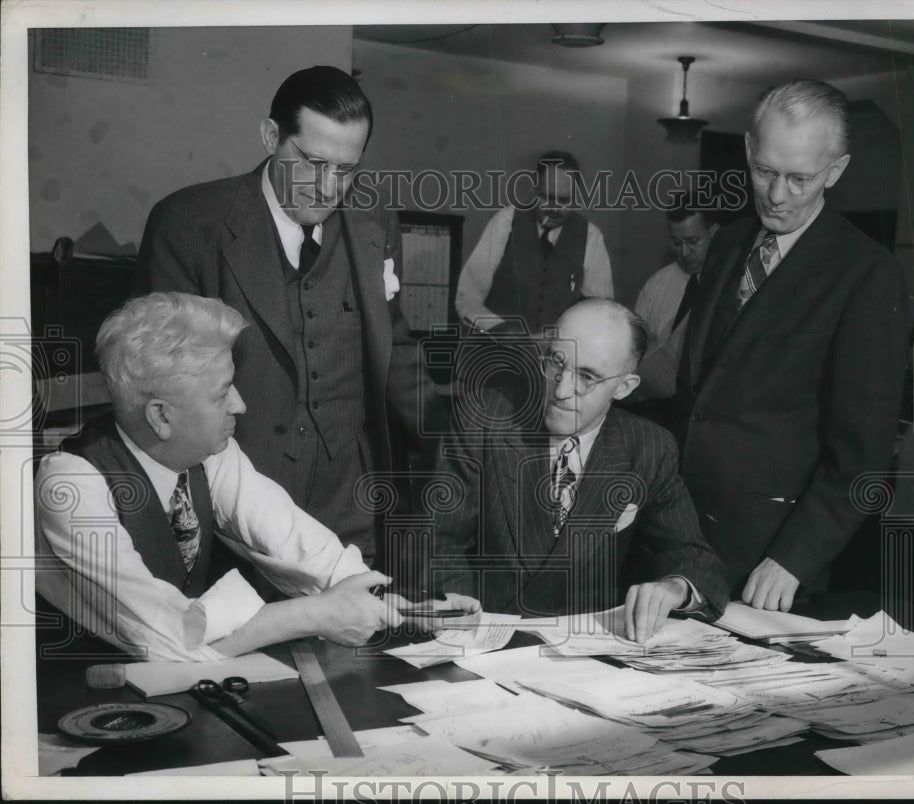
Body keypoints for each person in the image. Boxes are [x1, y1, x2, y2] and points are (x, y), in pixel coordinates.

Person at [34, 293, 478, 662]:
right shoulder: (71, 488)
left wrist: (395, 604)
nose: (240, 405)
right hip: (81, 693)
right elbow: (166, 640)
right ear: (161, 416)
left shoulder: (213, 454)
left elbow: (293, 539)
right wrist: (315, 616)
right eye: (222, 392)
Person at [134, 66, 442, 567]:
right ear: (271, 135)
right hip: (238, 516)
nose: (328, 188)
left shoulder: (374, 222)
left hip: (353, 504)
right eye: (314, 163)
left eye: (347, 169)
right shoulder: (188, 224)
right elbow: (167, 387)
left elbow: (396, 349)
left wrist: (463, 439)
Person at [673, 80, 907, 611]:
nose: (777, 195)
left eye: (800, 179)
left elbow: (863, 456)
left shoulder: (867, 273)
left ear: (836, 171)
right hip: (681, 538)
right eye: (765, 171)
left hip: (771, 565)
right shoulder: (728, 242)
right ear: (750, 151)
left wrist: (794, 560)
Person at [431, 299, 729, 643]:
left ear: (625, 387)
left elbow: (697, 560)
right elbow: (440, 543)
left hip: (588, 651)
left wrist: (674, 587)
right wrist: (460, 623)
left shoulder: (647, 447)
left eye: (587, 377)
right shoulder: (484, 419)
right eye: (555, 362)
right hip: (484, 643)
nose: (559, 390)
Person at [454, 151, 614, 335]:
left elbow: (601, 312)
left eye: (564, 200)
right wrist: (501, 329)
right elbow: (466, 299)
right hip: (497, 354)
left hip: (554, 357)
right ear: (534, 189)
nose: (554, 208)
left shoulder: (591, 237)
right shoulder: (505, 222)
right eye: (547, 197)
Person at [633, 202, 719, 400]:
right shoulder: (656, 285)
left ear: (714, 233)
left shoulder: (729, 285)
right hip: (655, 402)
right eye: (676, 242)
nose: (684, 253)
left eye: (693, 241)